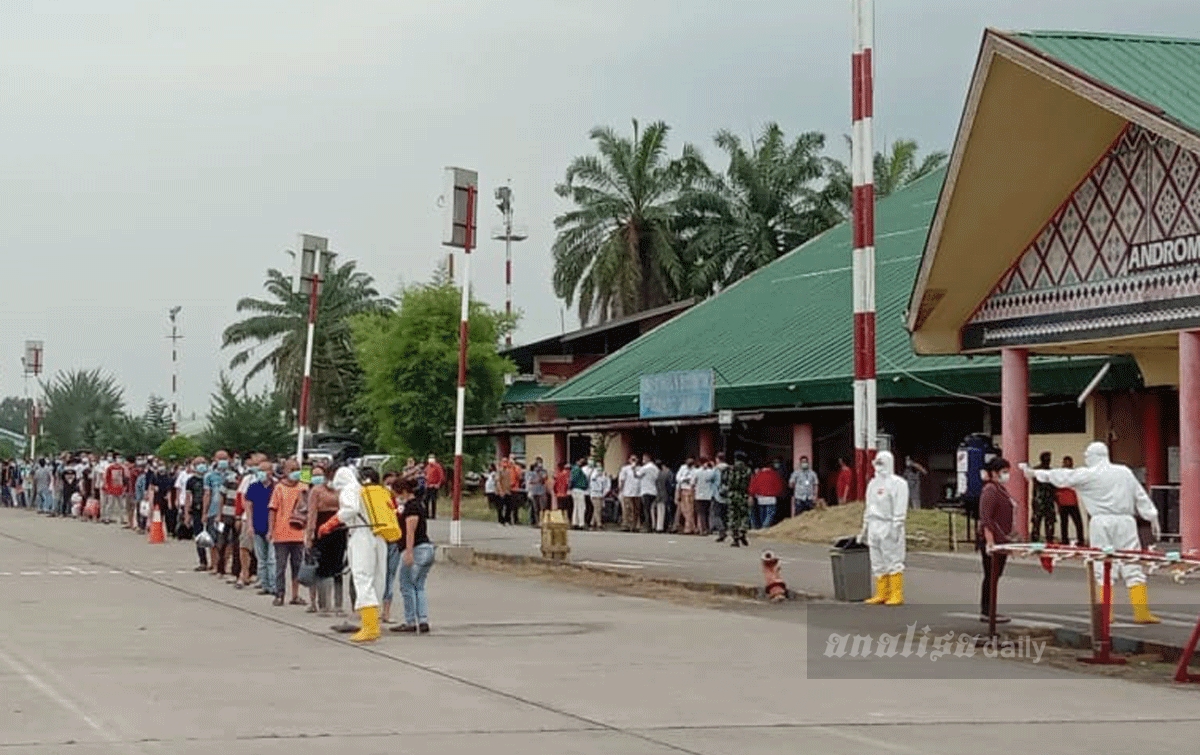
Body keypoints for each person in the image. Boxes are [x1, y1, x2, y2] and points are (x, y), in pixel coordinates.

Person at [1022, 442, 1161, 624]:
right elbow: (1140, 495)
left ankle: (1106, 614)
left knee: (1102, 566)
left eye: (1087, 456)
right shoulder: (1124, 472)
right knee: (1132, 562)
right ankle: (1141, 612)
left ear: (1093, 456)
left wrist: (1034, 473)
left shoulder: (1088, 474)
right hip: (1126, 522)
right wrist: (1152, 516)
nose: (1086, 459)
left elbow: (1062, 476)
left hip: (1100, 522)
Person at [318, 466, 386, 643]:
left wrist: (330, 523)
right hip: (378, 535)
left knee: (362, 578)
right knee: (376, 579)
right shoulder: (365, 490)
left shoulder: (349, 489)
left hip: (361, 536)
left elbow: (350, 509)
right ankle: (373, 623)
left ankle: (369, 627)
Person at [859, 450, 908, 606]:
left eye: (882, 463)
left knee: (893, 559)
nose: (878, 467)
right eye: (877, 463)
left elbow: (900, 507)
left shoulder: (898, 484)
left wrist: (897, 525)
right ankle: (882, 592)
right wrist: (864, 529)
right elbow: (868, 507)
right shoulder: (873, 484)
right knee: (877, 561)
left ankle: (896, 593)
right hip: (874, 525)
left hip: (889, 524)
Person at [391, 476, 435, 634]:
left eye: (397, 493)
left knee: (407, 585)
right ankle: (422, 619)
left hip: (417, 549)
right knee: (419, 586)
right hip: (426, 549)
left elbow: (410, 531)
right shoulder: (419, 504)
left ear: (403, 491)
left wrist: (408, 552)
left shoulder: (412, 507)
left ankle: (410, 621)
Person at [978, 457, 1015, 623]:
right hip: (993, 540)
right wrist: (990, 541)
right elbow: (987, 518)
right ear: (994, 473)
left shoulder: (1001, 489)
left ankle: (990, 609)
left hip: (1003, 539)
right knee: (991, 575)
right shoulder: (990, 490)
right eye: (1004, 472)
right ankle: (987, 611)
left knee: (996, 575)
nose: (1007, 475)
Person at [307, 465, 347, 617]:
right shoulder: (316, 490)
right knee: (323, 567)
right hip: (322, 530)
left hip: (339, 530)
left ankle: (338, 605)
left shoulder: (342, 490)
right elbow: (312, 513)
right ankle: (324, 605)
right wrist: (310, 534)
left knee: (338, 568)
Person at [268, 459, 307, 607]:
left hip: (299, 534)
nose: (295, 472)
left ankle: (295, 595)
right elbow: (273, 510)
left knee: (297, 566)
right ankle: (279, 594)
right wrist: (271, 530)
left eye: (297, 469)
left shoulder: (303, 487)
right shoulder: (279, 488)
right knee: (281, 566)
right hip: (282, 534)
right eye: (292, 469)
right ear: (284, 471)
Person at [245, 460, 276, 596]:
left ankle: (274, 586)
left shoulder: (276, 487)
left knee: (272, 559)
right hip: (257, 526)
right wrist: (250, 525)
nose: (261, 473)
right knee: (261, 558)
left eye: (264, 470)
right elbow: (248, 507)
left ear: (271, 472)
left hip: (272, 528)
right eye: (260, 470)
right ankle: (264, 584)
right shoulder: (253, 487)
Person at [722, 452, 751, 547]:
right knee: (744, 515)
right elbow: (749, 482)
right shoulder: (747, 470)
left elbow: (725, 482)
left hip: (732, 494)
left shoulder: (730, 469)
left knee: (732, 516)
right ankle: (742, 532)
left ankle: (735, 538)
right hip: (743, 495)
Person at [185, 458, 209, 571]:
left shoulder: (210, 478)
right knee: (199, 536)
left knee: (215, 536)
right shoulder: (191, 481)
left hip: (211, 511)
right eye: (198, 464)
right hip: (196, 511)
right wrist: (187, 515)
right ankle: (203, 561)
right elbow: (188, 498)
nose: (201, 466)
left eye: (203, 463)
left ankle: (217, 562)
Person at [1056, 456, 1085, 546]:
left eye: (1068, 462)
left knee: (1078, 522)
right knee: (1064, 523)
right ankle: (1065, 539)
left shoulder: (1074, 473)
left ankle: (1081, 540)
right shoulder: (1060, 474)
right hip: (1063, 501)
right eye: (1065, 462)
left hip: (1072, 501)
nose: (1067, 464)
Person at [748, 462, 784, 529]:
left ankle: (763, 527)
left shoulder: (758, 475)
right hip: (771, 498)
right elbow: (779, 486)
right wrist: (779, 494)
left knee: (762, 515)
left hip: (760, 498)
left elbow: (753, 486)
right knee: (769, 515)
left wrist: (752, 495)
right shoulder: (774, 474)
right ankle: (765, 527)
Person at [1030, 451, 1057, 543]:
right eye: (1047, 458)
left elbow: (1054, 486)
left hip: (1049, 500)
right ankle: (1035, 540)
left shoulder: (1051, 471)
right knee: (1036, 521)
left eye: (1049, 458)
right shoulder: (1036, 470)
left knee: (1050, 522)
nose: (1048, 460)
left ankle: (1049, 540)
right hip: (1039, 499)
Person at [693, 458, 716, 537]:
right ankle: (708, 528)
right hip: (708, 495)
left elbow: (692, 482)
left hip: (699, 495)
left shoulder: (696, 472)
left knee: (701, 513)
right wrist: (712, 466)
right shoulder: (711, 472)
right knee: (708, 512)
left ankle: (703, 529)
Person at [618, 454, 641, 532]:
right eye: (632, 459)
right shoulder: (625, 469)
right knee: (627, 509)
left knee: (636, 510)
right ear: (629, 460)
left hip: (637, 493)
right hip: (627, 492)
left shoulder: (640, 469)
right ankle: (626, 525)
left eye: (635, 459)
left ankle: (635, 526)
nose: (633, 461)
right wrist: (620, 490)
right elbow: (622, 480)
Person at [674, 458, 697, 534]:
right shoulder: (682, 468)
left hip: (690, 490)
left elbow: (693, 481)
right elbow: (678, 478)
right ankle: (690, 527)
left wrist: (687, 480)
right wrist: (684, 479)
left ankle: (688, 528)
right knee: (683, 509)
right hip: (681, 489)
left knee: (689, 509)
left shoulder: (695, 470)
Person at [637, 453, 658, 534]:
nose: (643, 460)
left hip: (646, 490)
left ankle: (648, 526)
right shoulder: (655, 468)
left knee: (646, 509)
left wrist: (633, 468)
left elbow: (637, 475)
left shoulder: (645, 468)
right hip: (653, 490)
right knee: (652, 509)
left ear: (647, 459)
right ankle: (653, 525)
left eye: (644, 459)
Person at [526, 457, 548, 528]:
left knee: (543, 507)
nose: (539, 465)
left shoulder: (544, 471)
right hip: (534, 491)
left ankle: (543, 521)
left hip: (542, 491)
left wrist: (539, 475)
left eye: (540, 463)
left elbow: (544, 478)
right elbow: (530, 481)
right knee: (536, 508)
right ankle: (537, 522)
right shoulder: (531, 472)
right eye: (538, 463)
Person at [587, 460, 609, 530]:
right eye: (597, 466)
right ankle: (599, 524)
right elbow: (592, 480)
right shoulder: (593, 473)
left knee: (598, 509)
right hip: (594, 493)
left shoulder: (604, 475)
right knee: (597, 508)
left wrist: (604, 493)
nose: (599, 468)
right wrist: (596, 475)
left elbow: (607, 485)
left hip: (600, 493)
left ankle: (592, 523)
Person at [711, 453, 728, 539]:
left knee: (716, 514)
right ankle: (725, 527)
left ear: (717, 459)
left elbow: (710, 478)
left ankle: (721, 530)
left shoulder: (716, 469)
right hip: (727, 494)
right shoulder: (729, 469)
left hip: (717, 494)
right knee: (725, 514)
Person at [569, 457, 589, 530]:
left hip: (575, 489)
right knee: (581, 507)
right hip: (579, 489)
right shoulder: (577, 470)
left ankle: (575, 522)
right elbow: (573, 479)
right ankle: (581, 523)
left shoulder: (574, 469)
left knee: (576, 507)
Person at [423, 454, 444, 519]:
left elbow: (441, 476)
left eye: (432, 458)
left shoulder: (437, 466)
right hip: (428, 485)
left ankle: (433, 515)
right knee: (426, 500)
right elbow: (425, 474)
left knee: (433, 500)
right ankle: (426, 514)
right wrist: (425, 482)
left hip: (434, 486)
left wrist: (438, 484)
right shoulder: (428, 467)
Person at [497, 456, 514, 526]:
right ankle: (501, 520)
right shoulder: (499, 471)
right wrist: (500, 491)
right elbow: (498, 481)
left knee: (509, 506)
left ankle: (508, 519)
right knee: (501, 507)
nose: (505, 463)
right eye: (504, 462)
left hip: (508, 491)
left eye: (506, 462)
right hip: (501, 491)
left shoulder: (508, 471)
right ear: (501, 463)